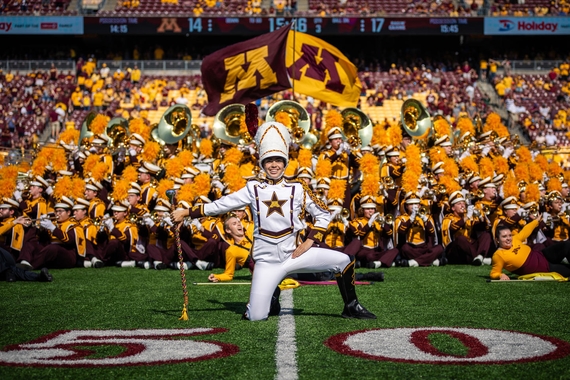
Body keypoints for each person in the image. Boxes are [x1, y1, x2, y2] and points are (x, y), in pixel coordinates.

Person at [173, 120, 375, 321]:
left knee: (344, 260)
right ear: (262, 163)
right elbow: (222, 204)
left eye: (278, 160)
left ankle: (351, 306)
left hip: (294, 256)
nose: (274, 165)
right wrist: (187, 212)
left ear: (285, 162)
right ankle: (272, 298)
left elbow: (323, 214)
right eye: (269, 161)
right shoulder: (253, 188)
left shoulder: (298, 188)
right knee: (256, 317)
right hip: (266, 263)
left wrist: (309, 242)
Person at [490, 218, 570, 280]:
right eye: (504, 236)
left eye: (509, 235)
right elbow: (494, 273)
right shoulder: (498, 255)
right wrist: (500, 275)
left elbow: (525, 231)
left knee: (567, 245)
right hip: (544, 268)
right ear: (497, 239)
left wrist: (536, 221)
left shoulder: (514, 239)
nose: (508, 238)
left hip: (543, 255)